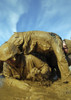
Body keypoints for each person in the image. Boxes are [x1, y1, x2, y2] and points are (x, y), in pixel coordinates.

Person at [0, 31, 70, 82]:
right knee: (5, 54)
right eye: (67, 51)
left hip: (23, 42)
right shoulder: (57, 41)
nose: (65, 53)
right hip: (20, 39)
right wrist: (67, 78)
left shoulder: (53, 38)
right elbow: (61, 59)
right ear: (66, 46)